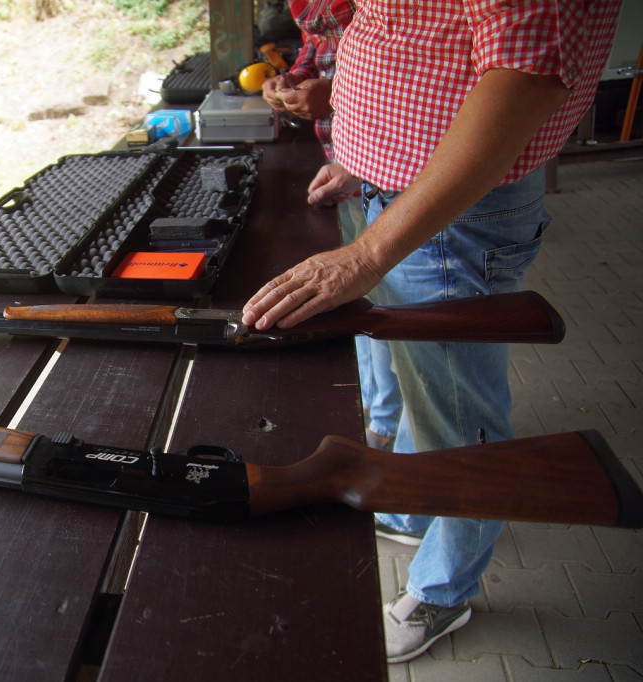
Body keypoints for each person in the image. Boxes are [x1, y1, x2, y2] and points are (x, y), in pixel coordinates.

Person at [242, 0, 622, 664]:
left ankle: (446, 589)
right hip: (397, 192)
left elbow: (524, 77)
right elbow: (430, 44)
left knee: (457, 416)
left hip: (450, 215)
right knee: (425, 382)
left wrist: (363, 255)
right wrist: (368, 158)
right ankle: (416, 514)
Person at [262, 0, 402, 451]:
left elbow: (423, 77)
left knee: (443, 389)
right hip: (365, 166)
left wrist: (336, 95)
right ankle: (380, 419)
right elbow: (320, 46)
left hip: (408, 175)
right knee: (372, 311)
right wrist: (298, 80)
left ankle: (412, 498)